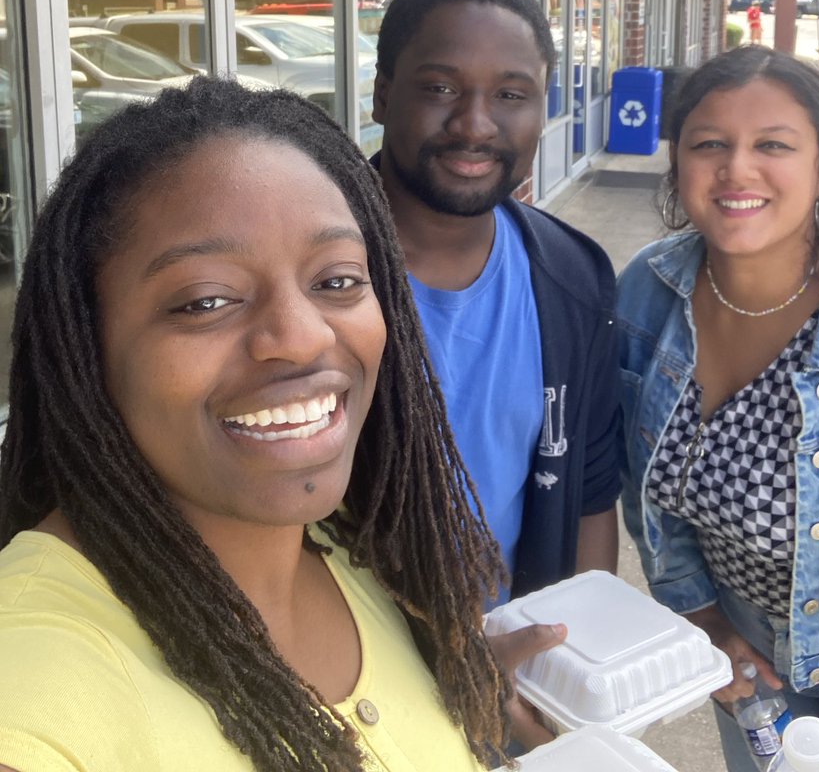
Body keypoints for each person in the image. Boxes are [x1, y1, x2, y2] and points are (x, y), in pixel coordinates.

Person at [0, 76, 544, 772]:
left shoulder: (355, 558)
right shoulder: (37, 680)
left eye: (337, 280)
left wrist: (457, 700)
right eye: (205, 301)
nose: (300, 336)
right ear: (84, 348)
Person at [617, 45, 819, 771]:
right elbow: (642, 484)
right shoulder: (647, 295)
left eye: (771, 145)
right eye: (708, 144)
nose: (736, 169)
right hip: (743, 671)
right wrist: (700, 619)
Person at [372, 0, 620, 602]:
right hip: (347, 682)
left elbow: (590, 499)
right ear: (382, 95)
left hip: (511, 674)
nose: (475, 124)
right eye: (440, 87)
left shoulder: (572, 278)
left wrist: (571, 658)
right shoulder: (299, 273)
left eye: (511, 95)